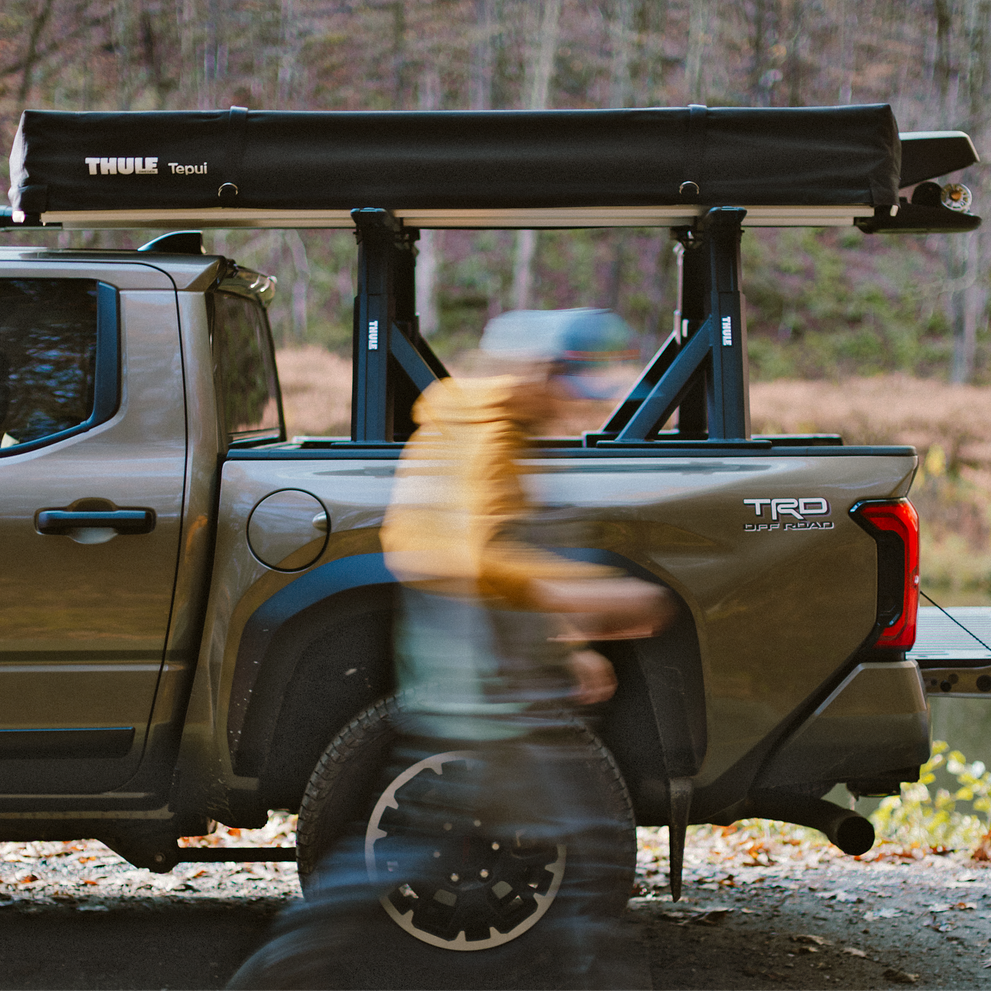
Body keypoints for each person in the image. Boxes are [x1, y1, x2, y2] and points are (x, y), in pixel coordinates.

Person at [227, 309, 670, 991]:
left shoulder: (500, 429)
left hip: (501, 678)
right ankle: (278, 971)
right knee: (579, 847)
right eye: (568, 380)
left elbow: (513, 549)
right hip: (485, 687)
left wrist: (567, 643)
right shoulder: (486, 437)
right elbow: (480, 555)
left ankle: (279, 970)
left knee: (503, 844)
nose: (576, 398)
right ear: (538, 371)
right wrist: (590, 596)